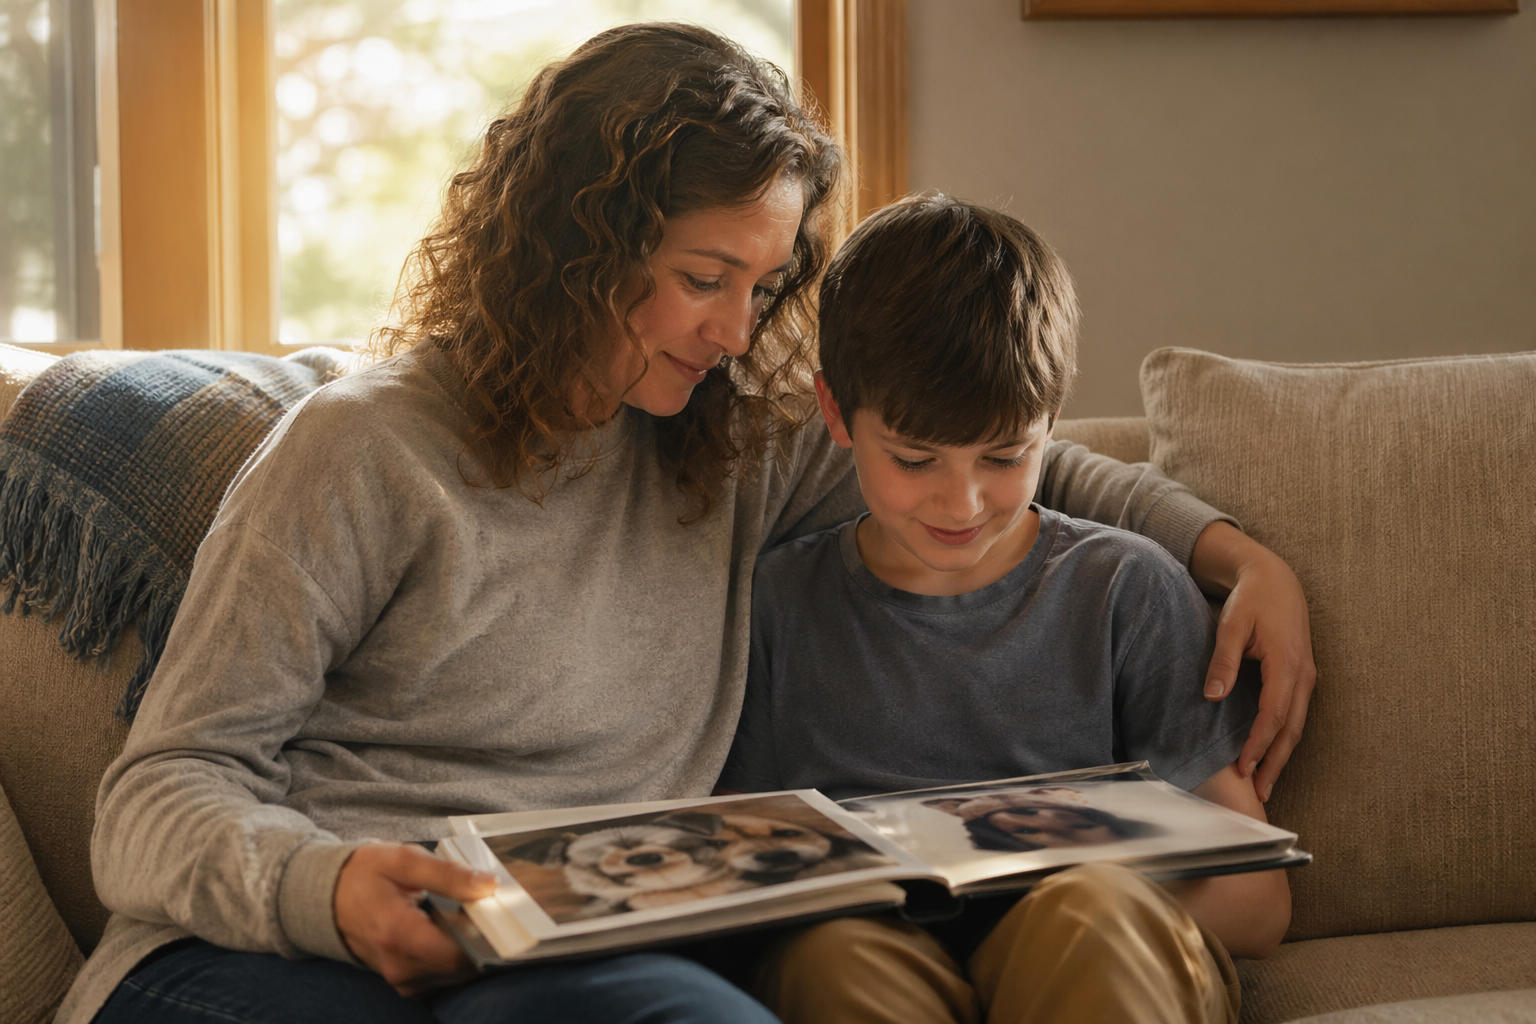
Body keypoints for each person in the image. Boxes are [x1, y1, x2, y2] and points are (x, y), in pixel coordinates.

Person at [60, 24, 1311, 1024]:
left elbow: (1000, 462)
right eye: (704, 279)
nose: (733, 331)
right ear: (576, 249)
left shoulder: (729, 448)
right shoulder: (367, 448)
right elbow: (159, 792)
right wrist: (321, 889)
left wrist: (1227, 551)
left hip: (543, 958)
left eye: (762, 289)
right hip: (260, 956)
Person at [717, 195, 1291, 1024]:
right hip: (876, 960)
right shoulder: (779, 609)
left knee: (1085, 912)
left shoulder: (1125, 592)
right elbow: (741, 889)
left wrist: (1034, 927)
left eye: (1005, 456)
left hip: (1103, 953)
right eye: (915, 461)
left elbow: (1259, 903)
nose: (963, 502)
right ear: (837, 414)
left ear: (1051, 424)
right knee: (830, 953)